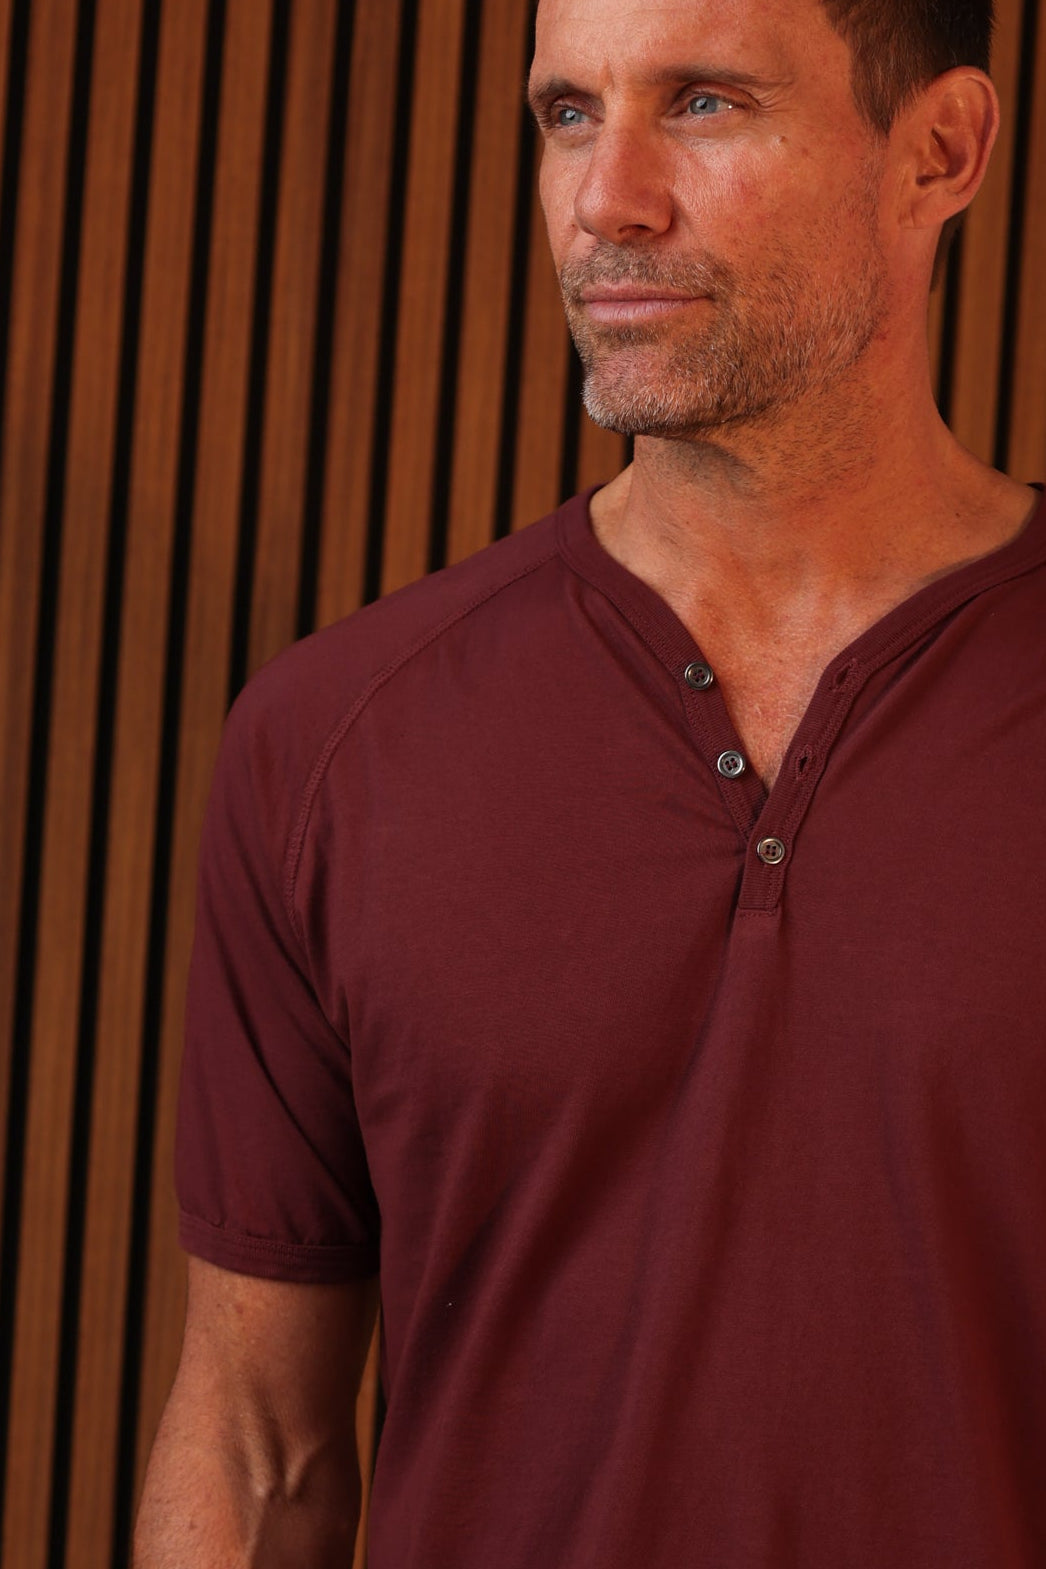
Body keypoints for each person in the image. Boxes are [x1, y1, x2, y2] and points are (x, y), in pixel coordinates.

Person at [134, 0, 1046, 1562]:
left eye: (702, 103)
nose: (603, 200)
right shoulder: (333, 736)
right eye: (567, 114)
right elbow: (256, 1448)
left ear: (937, 151)